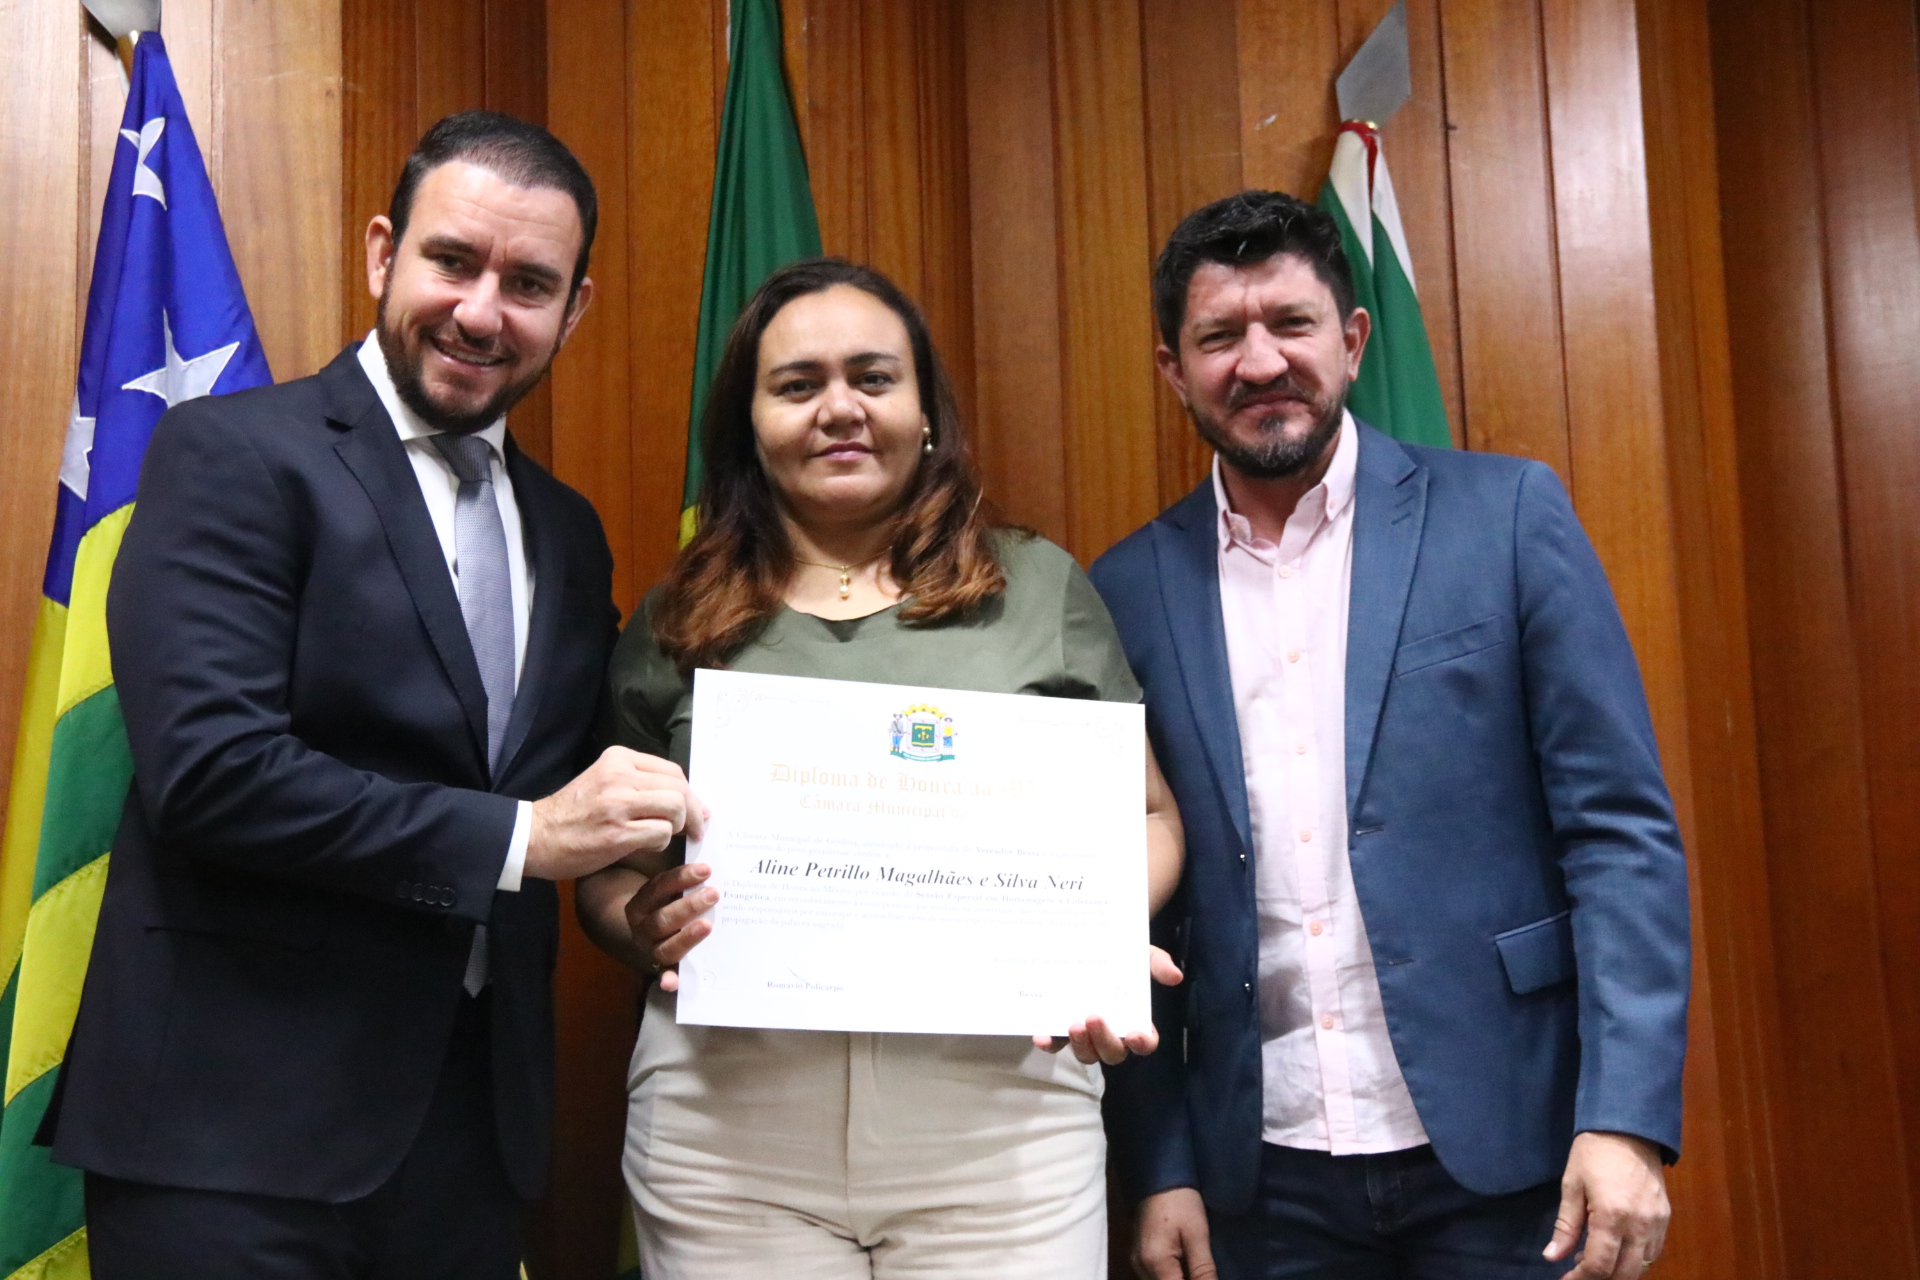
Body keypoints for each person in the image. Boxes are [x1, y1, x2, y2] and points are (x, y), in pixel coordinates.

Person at [49, 111, 702, 1279]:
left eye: (529, 283)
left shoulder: (569, 532)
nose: (482, 312)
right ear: (381, 254)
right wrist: (526, 838)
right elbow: (213, 773)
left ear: (575, 309)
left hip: (468, 1145)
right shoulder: (232, 455)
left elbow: (579, 781)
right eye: (453, 260)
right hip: (229, 1137)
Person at [1090, 191, 1690, 1280]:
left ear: (1354, 339)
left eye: (1292, 322)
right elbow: (1130, 890)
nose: (1261, 361)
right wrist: (1161, 1163)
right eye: (1220, 337)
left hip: (1515, 1147)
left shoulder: (1506, 517)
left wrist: (1625, 1115)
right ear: (1174, 370)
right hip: (1258, 1178)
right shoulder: (1127, 589)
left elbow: (1619, 834)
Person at [575, 257, 1183, 1279]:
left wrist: (1093, 933)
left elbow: (1151, 819)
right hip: (728, 1125)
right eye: (797, 384)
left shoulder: (1037, 586)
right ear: (749, 423)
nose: (840, 409)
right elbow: (608, 869)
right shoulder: (678, 612)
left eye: (873, 378)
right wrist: (640, 924)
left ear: (925, 410)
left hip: (1002, 1122)